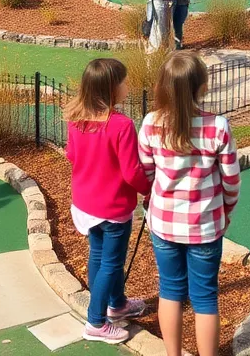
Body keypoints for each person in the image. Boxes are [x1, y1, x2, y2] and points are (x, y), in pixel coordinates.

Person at [139, 52, 240, 356]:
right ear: (201, 86)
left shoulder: (150, 123)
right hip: (205, 226)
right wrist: (226, 212)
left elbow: (146, 174)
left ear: (162, 86)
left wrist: (153, 200)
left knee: (170, 290)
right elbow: (231, 181)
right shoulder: (218, 127)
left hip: (164, 224)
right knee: (205, 297)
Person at [64, 58, 152, 343]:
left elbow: (72, 156)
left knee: (98, 257)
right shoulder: (122, 125)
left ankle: (117, 304)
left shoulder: (77, 120)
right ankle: (96, 322)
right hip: (112, 208)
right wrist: (149, 188)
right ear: (112, 89)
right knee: (111, 263)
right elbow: (131, 172)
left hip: (85, 205)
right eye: (124, 82)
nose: (128, 85)